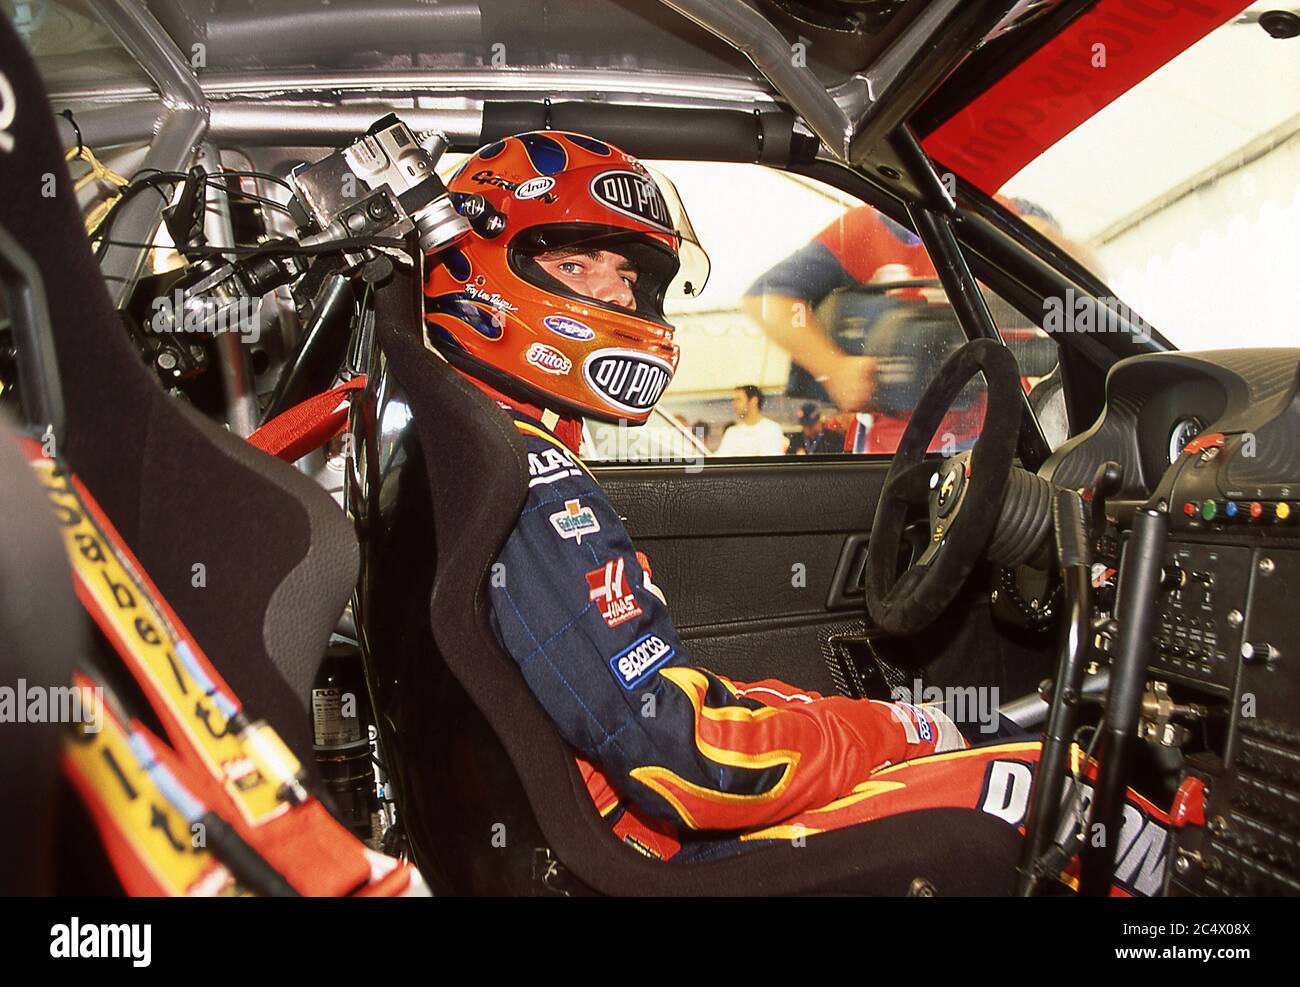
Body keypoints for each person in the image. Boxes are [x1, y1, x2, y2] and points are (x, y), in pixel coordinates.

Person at [420, 134, 1165, 884]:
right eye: (575, 264)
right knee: (1056, 791)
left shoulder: (492, 447)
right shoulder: (531, 479)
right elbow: (684, 755)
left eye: (624, 274)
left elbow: (657, 706)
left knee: (976, 736)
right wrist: (896, 728)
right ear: (484, 271)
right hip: (659, 853)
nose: (617, 296)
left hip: (627, 822)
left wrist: (872, 723)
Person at [715, 384, 787, 456]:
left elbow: (769, 461)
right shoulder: (731, 432)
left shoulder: (772, 429)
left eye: (738, 399)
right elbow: (719, 458)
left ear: (753, 401)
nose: (734, 404)